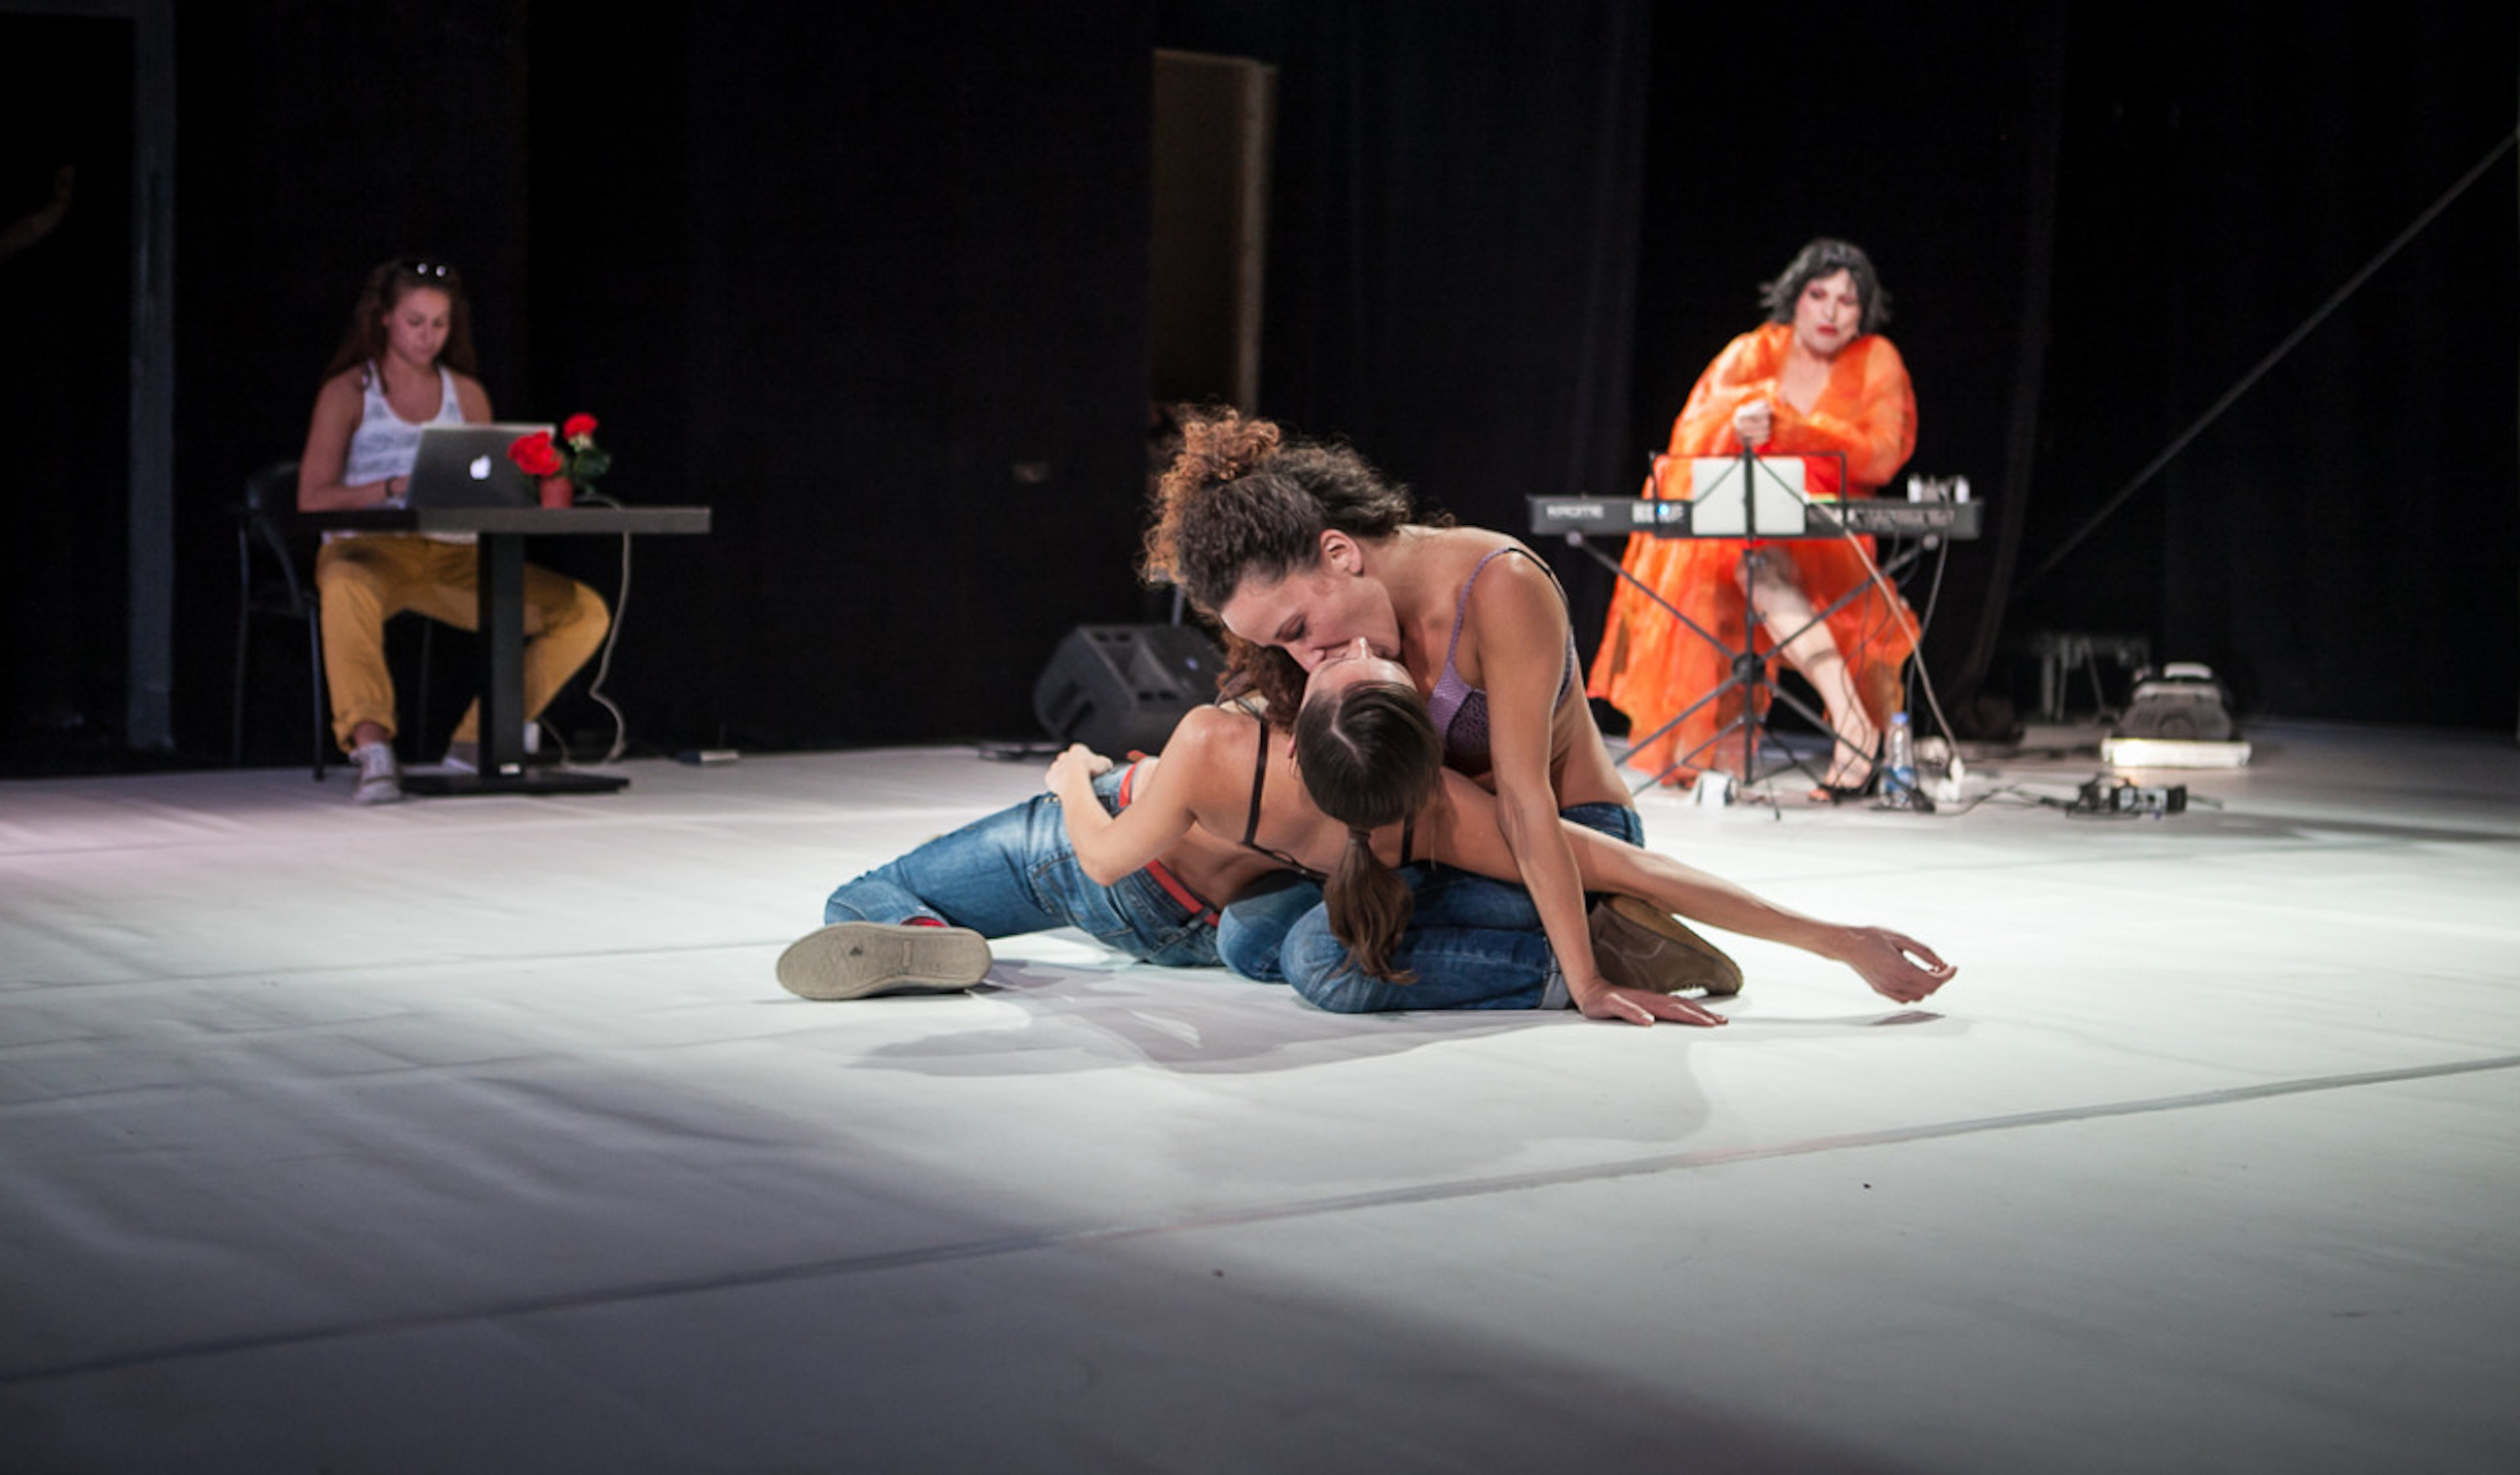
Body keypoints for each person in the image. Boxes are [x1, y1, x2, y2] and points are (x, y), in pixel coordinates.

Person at [775, 644, 1955, 1019]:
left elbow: (1100, 853)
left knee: (858, 898)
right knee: (1261, 938)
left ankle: (924, 937)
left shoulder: (1219, 740)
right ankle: (1553, 954)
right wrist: (1838, 938)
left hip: (1092, 862)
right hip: (1202, 929)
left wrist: (1073, 771)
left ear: (1304, 718)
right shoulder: (1418, 805)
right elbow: (1622, 857)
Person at [1138, 412, 1707, 1025]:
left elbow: (1524, 803)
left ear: (1340, 552)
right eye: (1280, 644)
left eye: (1297, 630)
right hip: (1450, 844)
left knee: (1320, 957)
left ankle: (1583, 956)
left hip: (1566, 833)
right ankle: (1576, 937)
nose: (1304, 657)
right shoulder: (1341, 634)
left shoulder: (1499, 584)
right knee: (1248, 937)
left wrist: (1587, 984)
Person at [1589, 238, 1919, 796]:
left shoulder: (1875, 358)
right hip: (1741, 529)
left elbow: (1883, 452)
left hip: (1827, 536)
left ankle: (1852, 724)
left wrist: (1794, 430)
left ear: (1863, 312)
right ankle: (1740, 752)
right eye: (1819, 295)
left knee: (1757, 568)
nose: (1831, 311)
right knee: (1736, 567)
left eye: (1847, 301)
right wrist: (1734, 426)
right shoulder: (1753, 352)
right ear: (1796, 298)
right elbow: (1689, 433)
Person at [294, 257, 610, 803]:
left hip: (453, 557)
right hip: (371, 550)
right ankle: (372, 746)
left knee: (583, 611)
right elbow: (312, 497)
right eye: (415, 321)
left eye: (439, 323)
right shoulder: (349, 390)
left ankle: (478, 738)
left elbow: (486, 481)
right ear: (385, 318)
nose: (428, 335)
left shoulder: (466, 393)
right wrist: (391, 486)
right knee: (344, 585)